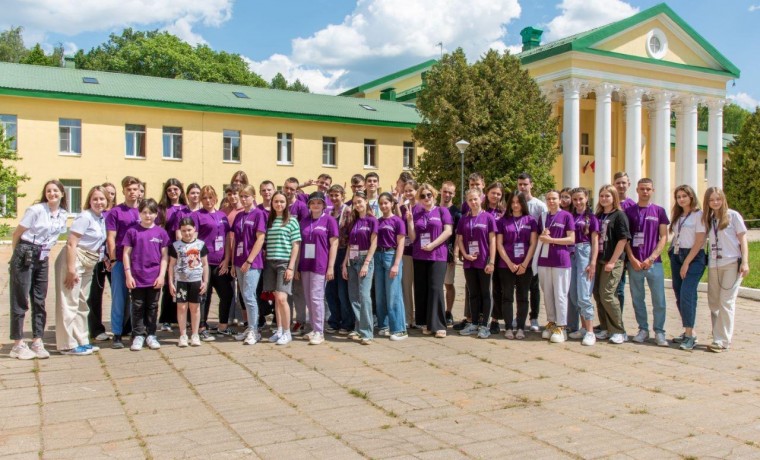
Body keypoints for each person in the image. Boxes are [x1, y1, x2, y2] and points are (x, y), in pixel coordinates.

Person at [9, 180, 69, 360]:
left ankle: (37, 340)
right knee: (20, 299)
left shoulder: (63, 214)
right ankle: (18, 344)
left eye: (55, 190)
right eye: (49, 191)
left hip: (43, 255)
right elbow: (17, 233)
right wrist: (17, 255)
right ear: (45, 193)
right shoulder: (35, 210)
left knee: (39, 299)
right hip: (25, 251)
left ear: (62, 193)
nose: (52, 193)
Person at [54, 185, 108, 355]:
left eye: (102, 199)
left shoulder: (100, 218)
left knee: (82, 303)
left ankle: (81, 340)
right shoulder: (85, 217)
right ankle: (67, 345)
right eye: (95, 199)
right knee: (69, 302)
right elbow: (71, 243)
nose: (99, 202)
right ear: (89, 201)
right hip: (74, 260)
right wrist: (71, 270)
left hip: (88, 262)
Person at [703, 187, 749, 353]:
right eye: (711, 200)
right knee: (714, 302)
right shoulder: (709, 218)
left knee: (726, 301)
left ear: (723, 199)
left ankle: (722, 340)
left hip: (731, 264)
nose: (715, 202)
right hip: (714, 264)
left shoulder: (733, 216)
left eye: (718, 199)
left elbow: (743, 239)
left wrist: (745, 262)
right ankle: (717, 335)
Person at [625, 178, 670, 346]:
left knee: (659, 300)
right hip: (635, 263)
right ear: (637, 190)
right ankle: (643, 329)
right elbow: (625, 238)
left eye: (648, 189)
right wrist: (632, 258)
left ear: (653, 190)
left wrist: (651, 258)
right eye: (642, 188)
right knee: (638, 299)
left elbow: (664, 237)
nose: (645, 191)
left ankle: (659, 331)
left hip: (654, 263)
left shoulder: (659, 211)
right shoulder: (629, 212)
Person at [123, 199, 170, 351]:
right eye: (144, 212)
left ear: (156, 214)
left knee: (153, 306)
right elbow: (126, 254)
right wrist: (128, 275)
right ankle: (138, 335)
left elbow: (164, 257)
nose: (148, 216)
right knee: (137, 306)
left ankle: (151, 334)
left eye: (151, 213)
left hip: (154, 277)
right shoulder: (132, 232)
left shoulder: (161, 233)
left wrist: (161, 276)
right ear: (139, 213)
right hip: (137, 277)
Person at [407, 184, 453, 338]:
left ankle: (439, 325)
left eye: (429, 195)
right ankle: (426, 323)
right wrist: (410, 222)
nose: (426, 198)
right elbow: (413, 238)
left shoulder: (442, 211)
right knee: (422, 289)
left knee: (435, 288)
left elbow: (448, 231)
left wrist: (433, 244)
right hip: (420, 255)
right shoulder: (416, 212)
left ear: (434, 195)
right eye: (422, 196)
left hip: (437, 255)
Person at [666, 185, 707, 350]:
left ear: (691, 197)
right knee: (679, 293)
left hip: (694, 257)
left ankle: (689, 336)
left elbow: (700, 240)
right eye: (678, 197)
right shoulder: (678, 215)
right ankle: (689, 330)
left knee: (687, 294)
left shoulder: (699, 215)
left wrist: (687, 262)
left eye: (684, 196)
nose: (681, 199)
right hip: (677, 255)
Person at [297, 192, 338, 345]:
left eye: (319, 203)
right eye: (313, 203)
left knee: (316, 297)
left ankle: (320, 332)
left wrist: (331, 267)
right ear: (309, 205)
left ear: (324, 205)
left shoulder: (329, 220)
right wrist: (296, 267)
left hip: (320, 264)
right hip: (305, 264)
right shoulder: (304, 221)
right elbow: (299, 244)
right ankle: (314, 329)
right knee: (308, 297)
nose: (316, 205)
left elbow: (334, 244)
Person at [106, 176, 142, 349]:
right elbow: (110, 237)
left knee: (139, 299)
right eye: (129, 189)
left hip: (140, 261)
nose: (132, 192)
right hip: (120, 260)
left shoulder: (144, 210)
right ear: (123, 191)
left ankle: (138, 332)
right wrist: (113, 259)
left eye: (135, 189)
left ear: (139, 191)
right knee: (118, 298)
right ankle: (117, 333)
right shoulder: (116, 212)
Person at [456, 188, 497, 338]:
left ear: (481, 199)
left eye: (475, 199)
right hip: (469, 262)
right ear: (467, 202)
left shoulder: (488, 218)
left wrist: (491, 262)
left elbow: (492, 241)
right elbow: (460, 239)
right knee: (473, 293)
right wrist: (465, 254)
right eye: (470, 200)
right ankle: (473, 323)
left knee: (486, 293)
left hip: (484, 261)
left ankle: (485, 325)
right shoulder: (463, 219)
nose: (473, 202)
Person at [497, 191, 538, 340]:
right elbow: (499, 244)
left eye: (518, 202)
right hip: (506, 265)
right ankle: (508, 327)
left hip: (525, 266)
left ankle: (521, 327)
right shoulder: (502, 221)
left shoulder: (531, 221)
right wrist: (509, 263)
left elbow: (533, 243)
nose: (515, 205)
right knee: (507, 297)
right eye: (513, 202)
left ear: (523, 204)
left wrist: (524, 264)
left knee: (523, 298)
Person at [593, 185, 631, 344]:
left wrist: (613, 261)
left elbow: (623, 240)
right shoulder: (598, 215)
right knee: (598, 294)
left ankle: (619, 330)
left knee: (607, 294)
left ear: (614, 197)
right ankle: (605, 327)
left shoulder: (619, 215)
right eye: (601, 196)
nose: (604, 199)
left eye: (607, 196)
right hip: (599, 260)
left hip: (613, 261)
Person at [230, 185, 267, 345]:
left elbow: (260, 238)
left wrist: (249, 260)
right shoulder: (239, 216)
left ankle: (254, 330)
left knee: (249, 294)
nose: (244, 199)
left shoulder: (259, 214)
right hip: (239, 260)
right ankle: (250, 327)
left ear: (253, 197)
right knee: (244, 296)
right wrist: (233, 263)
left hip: (252, 262)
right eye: (242, 196)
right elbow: (235, 240)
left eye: (247, 196)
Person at [536, 190, 575, 343]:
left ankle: (561, 326)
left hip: (561, 260)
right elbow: (538, 237)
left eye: (554, 198)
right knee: (547, 294)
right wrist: (543, 235)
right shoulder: (543, 216)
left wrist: (552, 240)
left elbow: (571, 239)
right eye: (548, 199)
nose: (551, 201)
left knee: (560, 294)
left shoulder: (566, 216)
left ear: (559, 200)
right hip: (544, 260)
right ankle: (551, 322)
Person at [197, 186, 235, 337]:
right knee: (204, 296)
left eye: (210, 197)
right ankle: (201, 327)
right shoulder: (197, 215)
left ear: (216, 198)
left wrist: (227, 259)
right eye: (204, 198)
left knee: (227, 294)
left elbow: (227, 238)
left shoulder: (222, 215)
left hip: (220, 263)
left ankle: (222, 326)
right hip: (204, 263)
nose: (208, 200)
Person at [264, 191, 301, 346]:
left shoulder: (292, 221)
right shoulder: (269, 221)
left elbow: (296, 245)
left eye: (282, 201)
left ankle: (287, 332)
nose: (279, 204)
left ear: (286, 204)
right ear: (272, 203)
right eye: (276, 201)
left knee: (282, 298)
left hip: (284, 263)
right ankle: (279, 330)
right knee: (276, 299)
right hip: (270, 263)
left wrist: (291, 267)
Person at [343, 191, 378, 345]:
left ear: (366, 201)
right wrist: (344, 263)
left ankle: (367, 332)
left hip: (365, 259)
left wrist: (367, 263)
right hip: (352, 260)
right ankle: (359, 328)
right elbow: (350, 244)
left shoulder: (372, 220)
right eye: (355, 203)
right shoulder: (353, 221)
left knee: (364, 296)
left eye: (360, 202)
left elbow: (374, 243)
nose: (357, 205)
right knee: (354, 296)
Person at [168, 218, 210, 347]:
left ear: (194, 229)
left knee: (195, 308)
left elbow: (205, 264)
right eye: (184, 231)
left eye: (189, 230)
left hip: (196, 281)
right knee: (181, 308)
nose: (187, 233)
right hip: (181, 281)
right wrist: (171, 282)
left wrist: (205, 281)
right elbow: (171, 265)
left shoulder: (201, 245)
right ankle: (183, 335)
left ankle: (195, 334)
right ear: (180, 231)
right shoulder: (175, 246)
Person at [567, 187, 599, 346]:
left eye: (581, 199)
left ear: (586, 198)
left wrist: (593, 262)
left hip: (584, 253)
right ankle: (584, 328)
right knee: (574, 295)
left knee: (584, 294)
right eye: (575, 199)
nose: (578, 202)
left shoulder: (592, 218)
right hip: (571, 253)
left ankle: (591, 332)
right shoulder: (570, 216)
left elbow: (595, 242)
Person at [453, 173, 485, 331]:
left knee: (486, 289)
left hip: (485, 254)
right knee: (470, 288)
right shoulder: (466, 206)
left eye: (477, 184)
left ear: (483, 184)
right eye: (472, 184)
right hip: (469, 254)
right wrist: (459, 252)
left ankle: (485, 320)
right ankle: (470, 318)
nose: (475, 187)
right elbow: (461, 231)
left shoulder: (488, 202)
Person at [374, 192, 407, 341]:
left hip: (391, 255)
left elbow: (401, 244)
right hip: (378, 256)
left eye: (386, 203)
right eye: (381, 203)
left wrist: (396, 264)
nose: (383, 206)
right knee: (380, 295)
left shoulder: (398, 221)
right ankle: (384, 325)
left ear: (392, 204)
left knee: (393, 295)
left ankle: (399, 328)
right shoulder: (378, 221)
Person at [517, 173, 547, 332]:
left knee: (533, 287)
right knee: (519, 286)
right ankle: (518, 316)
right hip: (518, 252)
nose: (522, 187)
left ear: (531, 185)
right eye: (520, 184)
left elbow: (545, 228)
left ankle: (534, 317)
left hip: (535, 252)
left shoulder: (540, 206)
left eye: (525, 184)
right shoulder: (515, 203)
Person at [88, 181, 117, 342]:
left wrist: (111, 257)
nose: (108, 196)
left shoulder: (115, 213)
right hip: (96, 260)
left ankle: (122, 326)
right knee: (94, 295)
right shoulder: (93, 215)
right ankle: (96, 329)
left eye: (111, 193)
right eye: (106, 193)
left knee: (119, 293)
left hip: (112, 259)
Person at [157, 178, 188, 332]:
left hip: (184, 251)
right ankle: (166, 319)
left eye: (175, 189)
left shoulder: (186, 208)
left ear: (181, 190)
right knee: (169, 285)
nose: (172, 192)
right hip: (168, 250)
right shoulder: (162, 209)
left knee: (183, 284)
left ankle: (181, 318)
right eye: (169, 190)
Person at [325, 184, 354, 334]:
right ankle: (334, 320)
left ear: (343, 196)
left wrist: (345, 261)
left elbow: (351, 237)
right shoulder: (329, 212)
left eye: (337, 195)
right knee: (330, 290)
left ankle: (347, 323)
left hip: (343, 252)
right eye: (332, 195)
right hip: (331, 253)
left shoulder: (348, 212)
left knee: (343, 291)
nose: (334, 198)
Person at [283, 177, 308, 335]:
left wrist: (297, 263)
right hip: (282, 251)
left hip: (297, 252)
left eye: (292, 189)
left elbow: (304, 231)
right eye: (287, 188)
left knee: (298, 290)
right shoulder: (280, 204)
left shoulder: (301, 207)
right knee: (285, 290)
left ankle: (301, 321)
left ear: (297, 190)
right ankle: (286, 320)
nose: (289, 191)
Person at [483, 182, 507, 335]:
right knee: (482, 287)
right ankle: (480, 317)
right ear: (487, 193)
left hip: (499, 254)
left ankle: (495, 319)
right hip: (482, 251)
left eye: (499, 194)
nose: (496, 196)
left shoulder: (504, 211)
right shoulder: (481, 208)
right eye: (493, 193)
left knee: (497, 288)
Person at [613, 171, 636, 315]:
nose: (621, 185)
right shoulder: (609, 203)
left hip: (624, 252)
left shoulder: (632, 206)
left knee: (619, 288)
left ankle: (617, 321)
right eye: (618, 183)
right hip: (609, 251)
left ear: (629, 184)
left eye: (623, 182)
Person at [439, 181, 460, 326]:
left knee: (448, 283)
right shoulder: (433, 208)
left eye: (450, 192)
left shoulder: (457, 213)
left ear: (454, 194)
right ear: (440, 191)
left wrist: (455, 254)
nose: (447, 194)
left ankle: (448, 312)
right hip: (433, 253)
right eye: (445, 191)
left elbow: (458, 236)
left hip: (448, 253)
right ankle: (436, 310)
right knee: (435, 285)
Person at [399, 179, 418, 328]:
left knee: (419, 286)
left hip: (421, 252)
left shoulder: (422, 207)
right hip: (406, 251)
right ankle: (408, 317)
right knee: (406, 286)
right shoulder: (402, 208)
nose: (408, 193)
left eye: (411, 190)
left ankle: (419, 317)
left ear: (417, 191)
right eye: (406, 191)